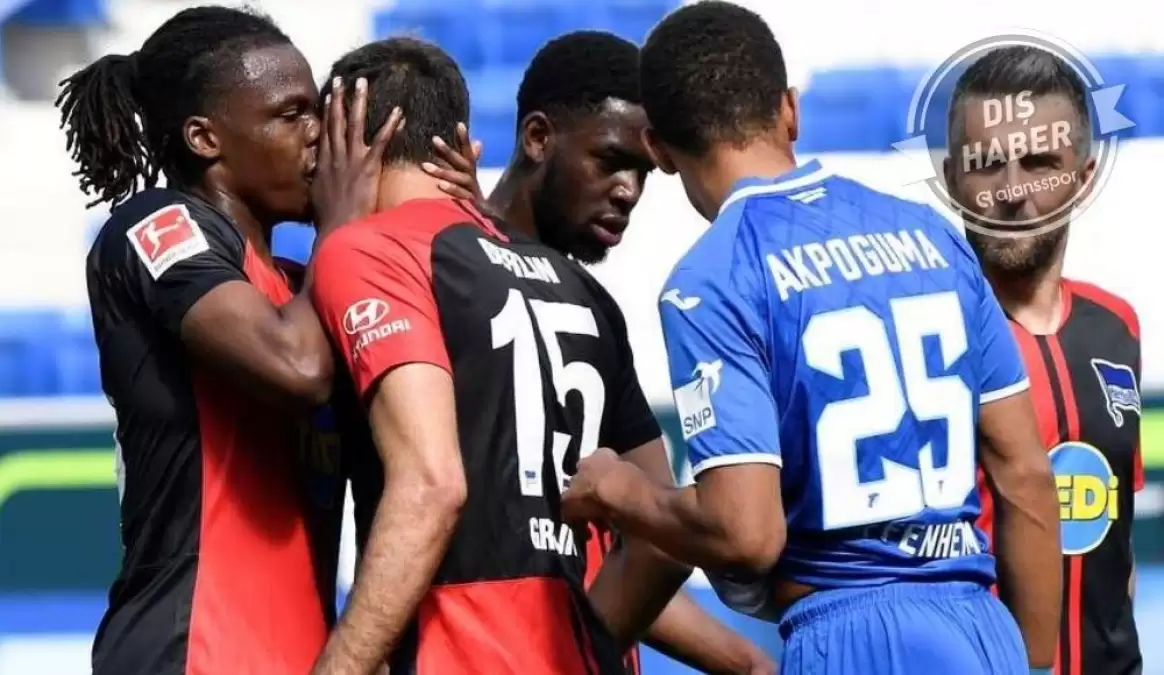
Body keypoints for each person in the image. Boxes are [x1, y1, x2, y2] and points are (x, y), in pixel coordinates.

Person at [560, 3, 1062, 674]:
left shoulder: (712, 279)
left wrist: (617, 490)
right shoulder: (932, 234)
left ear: (658, 149)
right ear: (790, 110)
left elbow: (746, 534)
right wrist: (1030, 659)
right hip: (981, 628)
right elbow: (1026, 472)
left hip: (853, 636)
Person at [307, 36, 689, 675]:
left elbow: (432, 487)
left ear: (342, 140)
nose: (629, 191)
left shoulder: (372, 250)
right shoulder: (582, 289)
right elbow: (667, 542)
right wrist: (583, 652)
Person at [57, 6, 399, 673]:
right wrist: (344, 226)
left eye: (318, 110)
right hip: (193, 646)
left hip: (304, 652)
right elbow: (297, 368)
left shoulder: (303, 287)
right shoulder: (158, 225)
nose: (319, 135)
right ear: (205, 138)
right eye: (291, 114)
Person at [472, 29, 775, 675]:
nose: (629, 190)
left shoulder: (576, 302)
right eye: (610, 160)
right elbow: (658, 543)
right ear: (537, 137)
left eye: (642, 171)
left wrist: (744, 660)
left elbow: (656, 543)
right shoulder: (463, 276)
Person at [945, 45, 1144, 675]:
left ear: (1082, 179)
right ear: (952, 179)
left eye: (1039, 162)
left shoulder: (1118, 326)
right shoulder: (930, 337)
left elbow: (1116, 537)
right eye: (986, 164)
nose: (1013, 191)